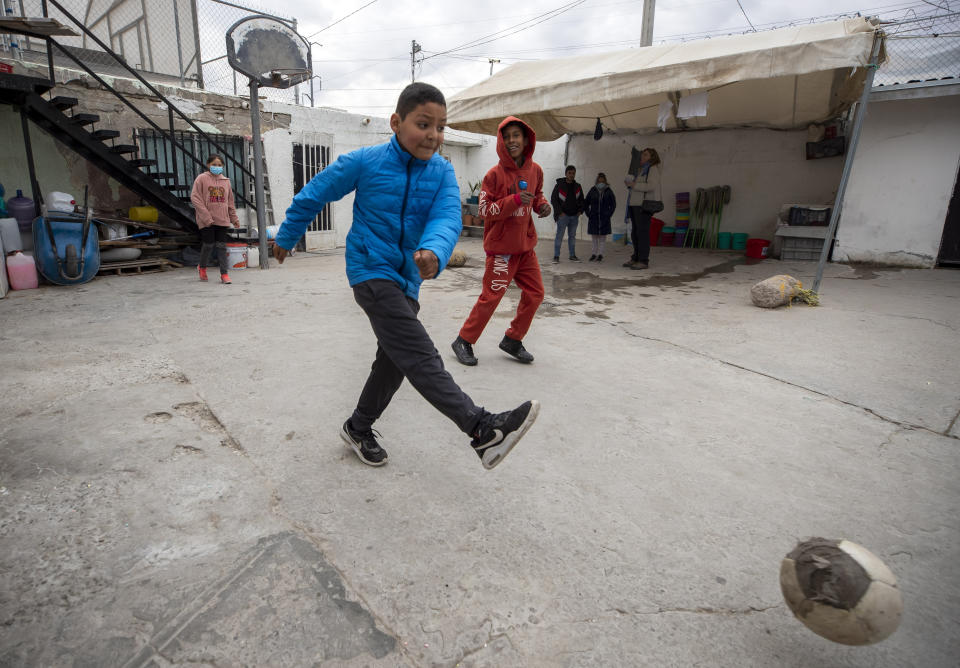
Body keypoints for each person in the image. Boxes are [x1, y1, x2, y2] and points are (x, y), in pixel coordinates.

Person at [272, 83, 539, 471]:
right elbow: (316, 192)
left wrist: (434, 251)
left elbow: (447, 217)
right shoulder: (366, 161)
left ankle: (358, 427)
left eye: (441, 127)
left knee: (394, 359)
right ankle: (482, 429)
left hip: (408, 278)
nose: (433, 135)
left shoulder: (443, 173)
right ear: (396, 122)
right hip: (369, 269)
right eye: (423, 123)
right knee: (416, 350)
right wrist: (287, 234)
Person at [451, 116, 551, 368]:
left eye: (516, 135)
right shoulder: (493, 175)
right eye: (506, 137)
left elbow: (536, 195)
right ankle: (463, 340)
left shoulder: (535, 170)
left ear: (526, 139)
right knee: (491, 297)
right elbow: (483, 211)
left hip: (525, 249)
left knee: (536, 293)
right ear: (500, 142)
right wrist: (515, 201)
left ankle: (513, 340)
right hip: (501, 251)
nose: (511, 141)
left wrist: (542, 205)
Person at [191, 154, 240, 283]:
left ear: (223, 166)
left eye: (219, 165)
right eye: (214, 164)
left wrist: (234, 219)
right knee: (208, 245)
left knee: (221, 246)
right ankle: (202, 267)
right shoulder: (201, 179)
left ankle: (224, 274)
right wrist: (206, 217)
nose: (216, 167)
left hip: (222, 219)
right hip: (206, 219)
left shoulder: (226, 181)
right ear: (208, 165)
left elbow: (230, 201)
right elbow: (195, 198)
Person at [623, 147, 661, 270]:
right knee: (635, 233)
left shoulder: (653, 168)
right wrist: (630, 184)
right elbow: (638, 186)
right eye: (642, 155)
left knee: (642, 233)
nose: (642, 157)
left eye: (645, 155)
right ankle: (636, 257)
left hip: (643, 206)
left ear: (652, 157)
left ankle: (643, 260)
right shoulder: (641, 170)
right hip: (634, 204)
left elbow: (651, 186)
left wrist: (634, 184)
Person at [550, 165, 584, 263]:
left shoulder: (578, 186)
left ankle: (572, 255)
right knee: (559, 236)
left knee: (572, 237)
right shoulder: (559, 185)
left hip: (574, 216)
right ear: (566, 174)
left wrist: (580, 211)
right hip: (563, 216)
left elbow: (582, 200)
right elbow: (554, 199)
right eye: (569, 173)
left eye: (573, 173)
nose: (571, 175)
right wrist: (559, 212)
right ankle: (556, 256)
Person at [584, 172, 616, 262]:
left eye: (603, 181)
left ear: (605, 181)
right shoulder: (592, 190)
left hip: (604, 218)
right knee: (594, 238)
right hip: (593, 217)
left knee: (602, 238)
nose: (601, 182)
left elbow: (613, 205)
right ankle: (594, 254)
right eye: (599, 180)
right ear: (597, 181)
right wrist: (588, 213)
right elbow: (586, 203)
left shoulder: (609, 191)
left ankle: (600, 254)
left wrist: (608, 214)